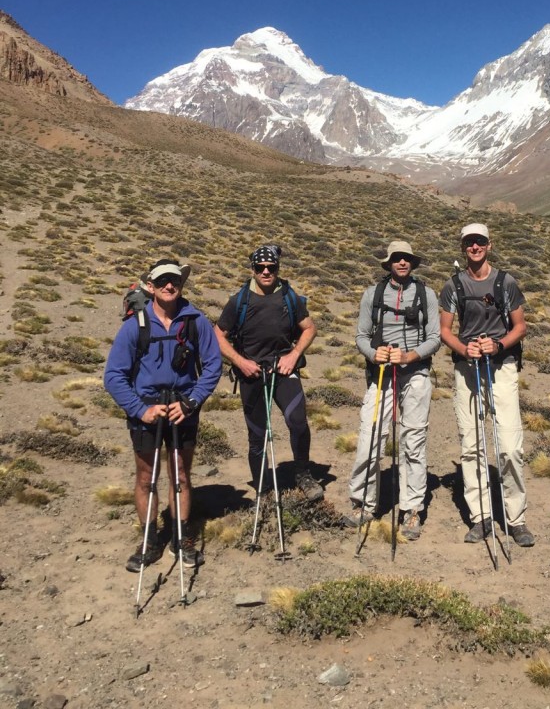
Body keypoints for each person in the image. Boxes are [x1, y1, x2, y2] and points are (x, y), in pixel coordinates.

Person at [104, 258, 222, 572]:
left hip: (183, 409)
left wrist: (191, 402)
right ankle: (149, 538)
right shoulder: (135, 326)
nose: (170, 285)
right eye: (163, 281)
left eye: (175, 280)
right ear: (152, 287)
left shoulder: (196, 321)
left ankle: (181, 537)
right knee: (146, 477)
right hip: (146, 410)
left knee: (181, 475)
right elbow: (114, 375)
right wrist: (140, 410)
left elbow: (213, 366)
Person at [439, 224, 534, 547]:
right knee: (472, 444)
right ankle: (480, 517)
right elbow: (445, 330)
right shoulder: (453, 285)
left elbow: (520, 327)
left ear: (489, 245)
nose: (475, 247)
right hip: (467, 369)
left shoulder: (505, 282)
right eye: (469, 243)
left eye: (479, 242)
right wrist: (464, 349)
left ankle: (515, 518)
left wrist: (498, 345)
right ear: (463, 248)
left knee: (509, 445)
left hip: (501, 367)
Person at [345, 241, 441, 539]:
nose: (402, 263)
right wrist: (375, 354)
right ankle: (362, 502)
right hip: (382, 372)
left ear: (412, 263)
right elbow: (361, 335)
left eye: (406, 259)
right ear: (388, 264)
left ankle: (412, 510)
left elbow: (435, 338)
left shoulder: (427, 295)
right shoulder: (372, 295)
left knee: (413, 440)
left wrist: (411, 356)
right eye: (396, 259)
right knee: (370, 436)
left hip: (416, 373)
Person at [214, 244, 323, 502]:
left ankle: (302, 474)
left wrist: (293, 355)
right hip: (251, 373)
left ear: (277, 268)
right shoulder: (238, 301)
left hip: (283, 370)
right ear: (252, 269)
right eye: (260, 267)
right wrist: (241, 362)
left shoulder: (289, 296)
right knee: (257, 434)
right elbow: (218, 335)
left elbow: (309, 328)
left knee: (298, 422)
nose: (266, 272)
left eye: (271, 267)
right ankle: (263, 491)